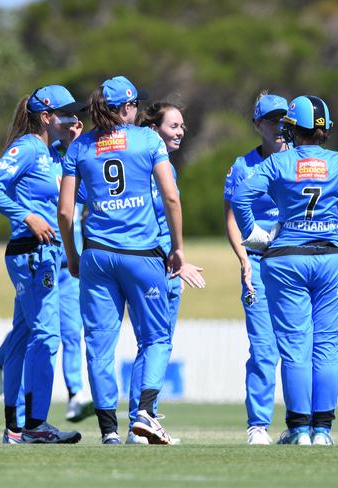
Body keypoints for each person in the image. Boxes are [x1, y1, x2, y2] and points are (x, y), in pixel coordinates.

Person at [231, 95, 338, 445]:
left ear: (290, 127)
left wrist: (255, 236)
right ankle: (323, 431)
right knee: (328, 346)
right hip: (330, 258)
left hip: (286, 258)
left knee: (294, 347)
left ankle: (299, 429)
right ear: (325, 129)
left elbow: (241, 197)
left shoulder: (278, 163)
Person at [58, 75, 205, 445]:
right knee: (155, 338)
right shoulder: (147, 139)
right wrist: (178, 249)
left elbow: (64, 213)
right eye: (134, 105)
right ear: (127, 108)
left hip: (97, 256)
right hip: (142, 256)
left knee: (98, 343)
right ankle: (144, 415)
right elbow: (171, 198)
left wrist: (74, 255)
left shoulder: (80, 147)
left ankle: (109, 431)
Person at [0, 85, 86, 444]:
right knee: (48, 337)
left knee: (23, 336)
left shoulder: (57, 155)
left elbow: (81, 198)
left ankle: (14, 429)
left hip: (49, 255)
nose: (74, 119)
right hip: (31, 252)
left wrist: (73, 150)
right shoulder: (27, 148)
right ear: (46, 117)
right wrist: (26, 216)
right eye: (66, 114)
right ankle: (35, 425)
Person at [125, 101, 201, 445]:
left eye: (182, 126)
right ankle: (139, 419)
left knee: (157, 343)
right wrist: (174, 260)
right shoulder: (144, 166)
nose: (180, 131)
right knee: (153, 343)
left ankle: (144, 418)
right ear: (153, 129)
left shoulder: (166, 167)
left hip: (167, 266)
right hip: (155, 265)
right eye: (173, 126)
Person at [223, 92, 288, 445]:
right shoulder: (242, 166)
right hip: (259, 263)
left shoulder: (300, 160)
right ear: (257, 125)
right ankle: (258, 425)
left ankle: (301, 423)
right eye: (271, 120)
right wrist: (244, 260)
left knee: (298, 346)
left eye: (284, 119)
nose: (279, 126)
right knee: (264, 347)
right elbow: (231, 218)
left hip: (295, 260)